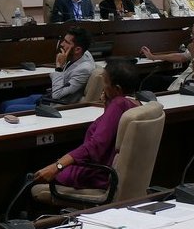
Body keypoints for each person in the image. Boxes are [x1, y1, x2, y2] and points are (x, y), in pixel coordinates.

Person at [33, 59, 141, 189]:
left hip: (93, 175)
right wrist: (108, 103)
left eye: (105, 84)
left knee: (31, 173)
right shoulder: (136, 105)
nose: (103, 88)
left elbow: (94, 146)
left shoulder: (118, 104)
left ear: (117, 89)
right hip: (104, 171)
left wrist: (58, 166)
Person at [0, 26, 96, 113]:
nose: (61, 44)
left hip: (55, 106)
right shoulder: (80, 54)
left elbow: (57, 95)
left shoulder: (84, 69)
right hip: (47, 98)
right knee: (4, 104)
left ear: (78, 49)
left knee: (9, 109)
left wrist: (59, 68)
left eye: (66, 42)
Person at [139, 20, 194, 91]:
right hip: (184, 80)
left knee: (152, 83)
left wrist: (193, 54)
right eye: (192, 33)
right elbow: (180, 57)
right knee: (150, 80)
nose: (192, 37)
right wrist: (153, 57)